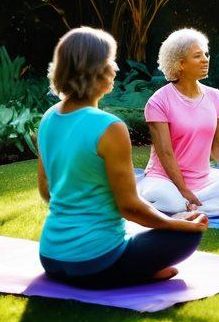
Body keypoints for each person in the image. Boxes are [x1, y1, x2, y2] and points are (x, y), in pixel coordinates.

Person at [36, 27, 208, 289]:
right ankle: (134, 272)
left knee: (166, 227)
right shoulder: (109, 126)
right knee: (189, 235)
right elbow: (129, 207)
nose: (115, 68)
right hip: (95, 261)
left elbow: (47, 191)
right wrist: (174, 225)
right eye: (110, 61)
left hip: (51, 256)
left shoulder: (49, 117)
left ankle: (136, 267)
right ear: (95, 69)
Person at [138, 29, 219, 218]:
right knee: (170, 200)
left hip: (203, 179)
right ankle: (183, 205)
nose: (205, 59)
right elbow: (165, 154)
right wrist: (183, 190)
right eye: (197, 56)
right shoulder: (158, 102)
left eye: (206, 54)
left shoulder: (215, 97)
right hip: (163, 179)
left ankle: (187, 209)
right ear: (180, 64)